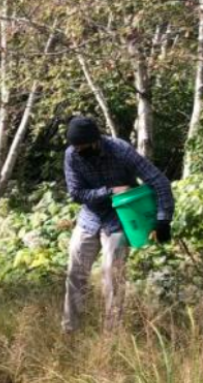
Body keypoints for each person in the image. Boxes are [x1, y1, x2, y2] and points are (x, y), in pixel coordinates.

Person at [62, 116, 174, 333]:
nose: (79, 150)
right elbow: (76, 193)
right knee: (75, 274)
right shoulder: (71, 155)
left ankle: (111, 337)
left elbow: (159, 181)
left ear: (96, 141)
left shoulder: (121, 150)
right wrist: (110, 191)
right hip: (90, 217)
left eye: (84, 146)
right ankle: (70, 331)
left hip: (122, 218)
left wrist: (163, 220)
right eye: (76, 147)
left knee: (112, 276)